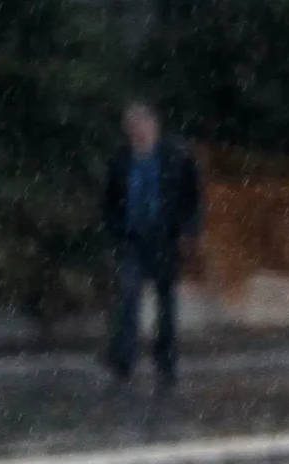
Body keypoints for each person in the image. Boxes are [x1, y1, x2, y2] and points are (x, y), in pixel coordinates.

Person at [101, 100, 204, 390]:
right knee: (128, 294)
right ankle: (124, 358)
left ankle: (166, 358)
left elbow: (192, 197)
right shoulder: (121, 161)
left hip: (165, 237)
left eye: (143, 126)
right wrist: (114, 231)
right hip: (132, 238)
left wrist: (188, 230)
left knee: (165, 301)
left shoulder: (177, 156)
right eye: (133, 128)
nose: (139, 133)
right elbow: (110, 201)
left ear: (154, 126)